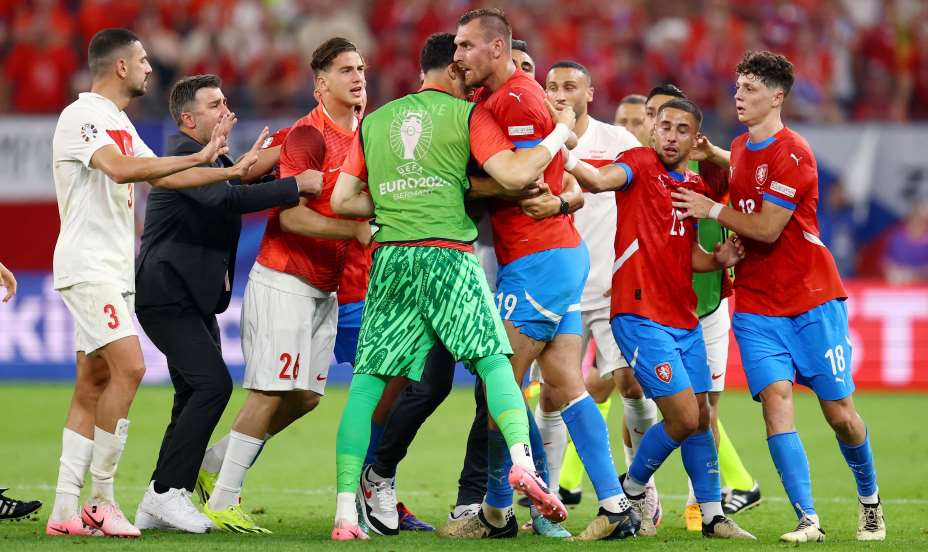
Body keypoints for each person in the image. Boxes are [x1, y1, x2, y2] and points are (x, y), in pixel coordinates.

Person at [329, 29, 578, 540]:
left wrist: (398, 202)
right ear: (452, 70)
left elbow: (341, 201)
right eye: (463, 69)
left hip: (392, 258)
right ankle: (522, 463)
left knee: (368, 383)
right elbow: (514, 175)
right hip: (449, 257)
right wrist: (560, 131)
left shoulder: (375, 121)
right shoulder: (468, 115)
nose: (470, 80)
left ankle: (344, 512)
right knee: (494, 363)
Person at [672, 50, 885, 543]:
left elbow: (768, 228)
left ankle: (870, 499)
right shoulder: (741, 145)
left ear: (776, 97)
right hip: (756, 304)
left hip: (811, 299)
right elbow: (744, 167)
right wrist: (714, 154)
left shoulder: (795, 153)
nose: (738, 96)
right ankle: (808, 519)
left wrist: (710, 208)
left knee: (841, 416)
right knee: (775, 401)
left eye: (749, 89)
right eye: (737, 87)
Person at [46, 28, 244, 539]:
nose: (149, 68)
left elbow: (162, 175)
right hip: (89, 266)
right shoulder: (82, 116)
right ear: (120, 66)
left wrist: (226, 170)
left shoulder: (119, 122)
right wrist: (200, 158)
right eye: (142, 60)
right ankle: (102, 501)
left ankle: (65, 510)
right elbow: (118, 170)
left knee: (92, 382)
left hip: (113, 269)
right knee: (130, 368)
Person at [453, 9, 638, 541]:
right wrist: (561, 195)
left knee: (499, 385)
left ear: (497, 49)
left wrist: (464, 184)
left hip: (539, 261)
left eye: (466, 46)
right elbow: (556, 175)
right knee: (566, 385)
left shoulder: (514, 100)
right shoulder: (500, 97)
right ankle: (615, 506)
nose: (459, 57)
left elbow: (523, 176)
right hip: (554, 254)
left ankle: (496, 513)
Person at [132, 74, 321, 533]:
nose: (226, 110)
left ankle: (158, 498)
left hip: (192, 297)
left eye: (225, 102)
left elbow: (235, 188)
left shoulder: (216, 161)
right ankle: (168, 491)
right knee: (212, 385)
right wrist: (295, 185)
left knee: (191, 394)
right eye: (214, 105)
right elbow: (227, 198)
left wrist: (267, 167)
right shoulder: (180, 156)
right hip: (166, 294)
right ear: (188, 118)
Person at [197, 37, 371, 534]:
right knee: (270, 392)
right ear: (320, 85)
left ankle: (212, 462)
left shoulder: (365, 134)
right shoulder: (308, 135)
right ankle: (222, 499)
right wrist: (354, 231)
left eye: (360, 69)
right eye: (345, 70)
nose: (358, 78)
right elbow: (292, 218)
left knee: (306, 397)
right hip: (285, 278)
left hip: (325, 287)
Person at [566, 98, 754, 540]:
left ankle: (712, 515)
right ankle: (630, 493)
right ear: (653, 131)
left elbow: (687, 255)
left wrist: (717, 259)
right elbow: (598, 179)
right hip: (640, 316)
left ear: (695, 139)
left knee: (702, 417)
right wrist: (561, 148)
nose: (670, 135)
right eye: (664, 126)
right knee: (685, 417)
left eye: (681, 129)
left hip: (683, 317)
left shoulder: (692, 186)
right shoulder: (637, 164)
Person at [540, 60, 666, 531]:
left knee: (633, 384)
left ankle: (641, 488)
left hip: (615, 288)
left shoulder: (619, 141)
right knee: (552, 393)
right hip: (560, 287)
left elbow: (647, 201)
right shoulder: (537, 141)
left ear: (589, 93)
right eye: (552, 86)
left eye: (570, 86)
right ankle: (549, 496)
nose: (560, 94)